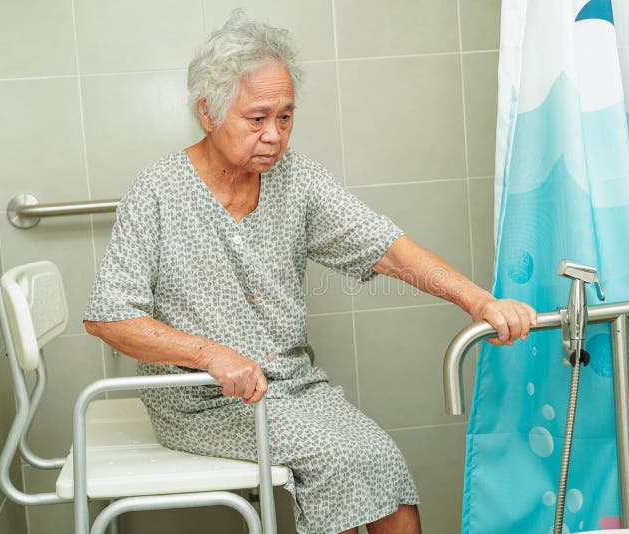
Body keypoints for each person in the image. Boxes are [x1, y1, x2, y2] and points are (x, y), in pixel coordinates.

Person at [84, 10, 537, 534]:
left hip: (296, 387)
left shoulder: (295, 178)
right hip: (203, 400)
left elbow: (387, 248)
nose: (274, 135)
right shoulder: (158, 192)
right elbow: (108, 316)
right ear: (208, 113)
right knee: (336, 463)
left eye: (285, 117)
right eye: (256, 119)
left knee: (385, 460)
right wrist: (210, 355)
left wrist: (479, 302)